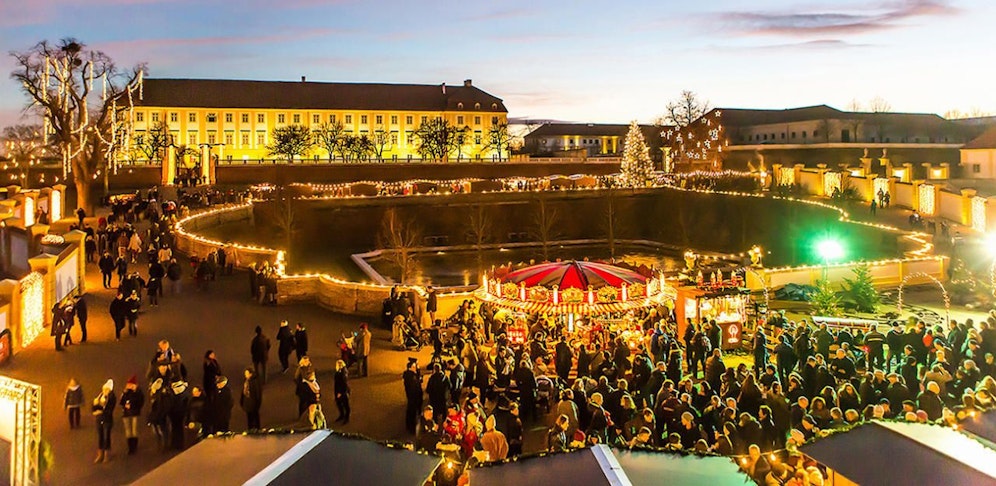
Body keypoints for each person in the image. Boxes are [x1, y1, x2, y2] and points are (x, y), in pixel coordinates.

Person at [93, 379, 116, 463]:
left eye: (106, 389)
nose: (104, 391)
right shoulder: (100, 396)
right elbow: (94, 408)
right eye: (104, 389)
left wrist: (101, 411)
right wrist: (95, 405)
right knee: (100, 437)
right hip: (99, 419)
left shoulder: (111, 398)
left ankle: (107, 454)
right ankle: (100, 454)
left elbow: (110, 409)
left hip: (107, 420)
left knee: (106, 437)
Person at [120, 375, 145, 455]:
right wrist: (124, 394)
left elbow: (140, 402)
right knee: (128, 431)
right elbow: (121, 402)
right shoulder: (126, 392)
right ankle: (130, 447)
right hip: (126, 414)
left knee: (134, 430)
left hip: (135, 413)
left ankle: (134, 446)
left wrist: (132, 404)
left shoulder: (138, 392)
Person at [403, 358, 423, 434]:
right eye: (414, 367)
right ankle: (411, 427)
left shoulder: (412, 374)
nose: (415, 368)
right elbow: (414, 387)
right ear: (410, 368)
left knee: (412, 411)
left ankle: (410, 426)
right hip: (413, 397)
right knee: (412, 411)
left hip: (414, 396)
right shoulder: (410, 377)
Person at [334, 359, 351, 424]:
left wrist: (340, 393)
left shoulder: (342, 373)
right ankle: (342, 415)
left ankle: (346, 417)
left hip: (342, 392)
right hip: (338, 391)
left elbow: (344, 384)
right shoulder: (339, 372)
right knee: (339, 404)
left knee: (345, 404)